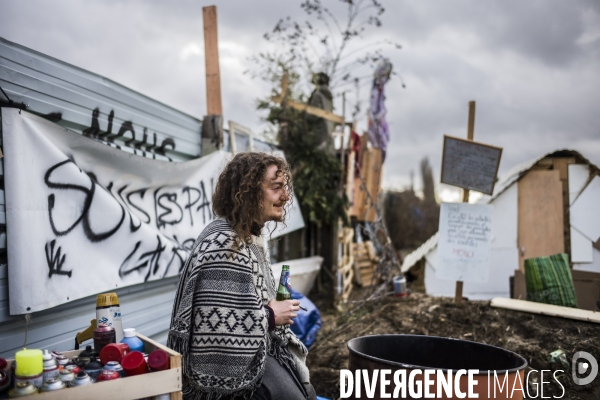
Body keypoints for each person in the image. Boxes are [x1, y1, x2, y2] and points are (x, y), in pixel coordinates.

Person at [168, 152, 316, 400]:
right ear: (250, 193)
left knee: (307, 390)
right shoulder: (226, 243)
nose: (286, 196)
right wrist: (270, 315)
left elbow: (240, 305)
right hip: (222, 377)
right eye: (276, 188)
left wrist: (268, 309)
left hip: (257, 349)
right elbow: (214, 330)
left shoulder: (247, 237)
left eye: (285, 188)